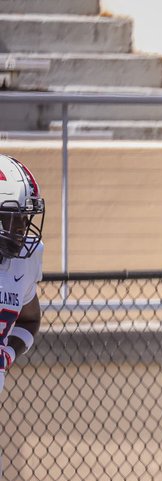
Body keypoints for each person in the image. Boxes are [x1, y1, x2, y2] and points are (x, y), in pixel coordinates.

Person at [0, 154, 45, 402]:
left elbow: (30, 319)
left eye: (25, 217)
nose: (22, 227)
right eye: (13, 216)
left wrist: (8, 353)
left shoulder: (25, 261)